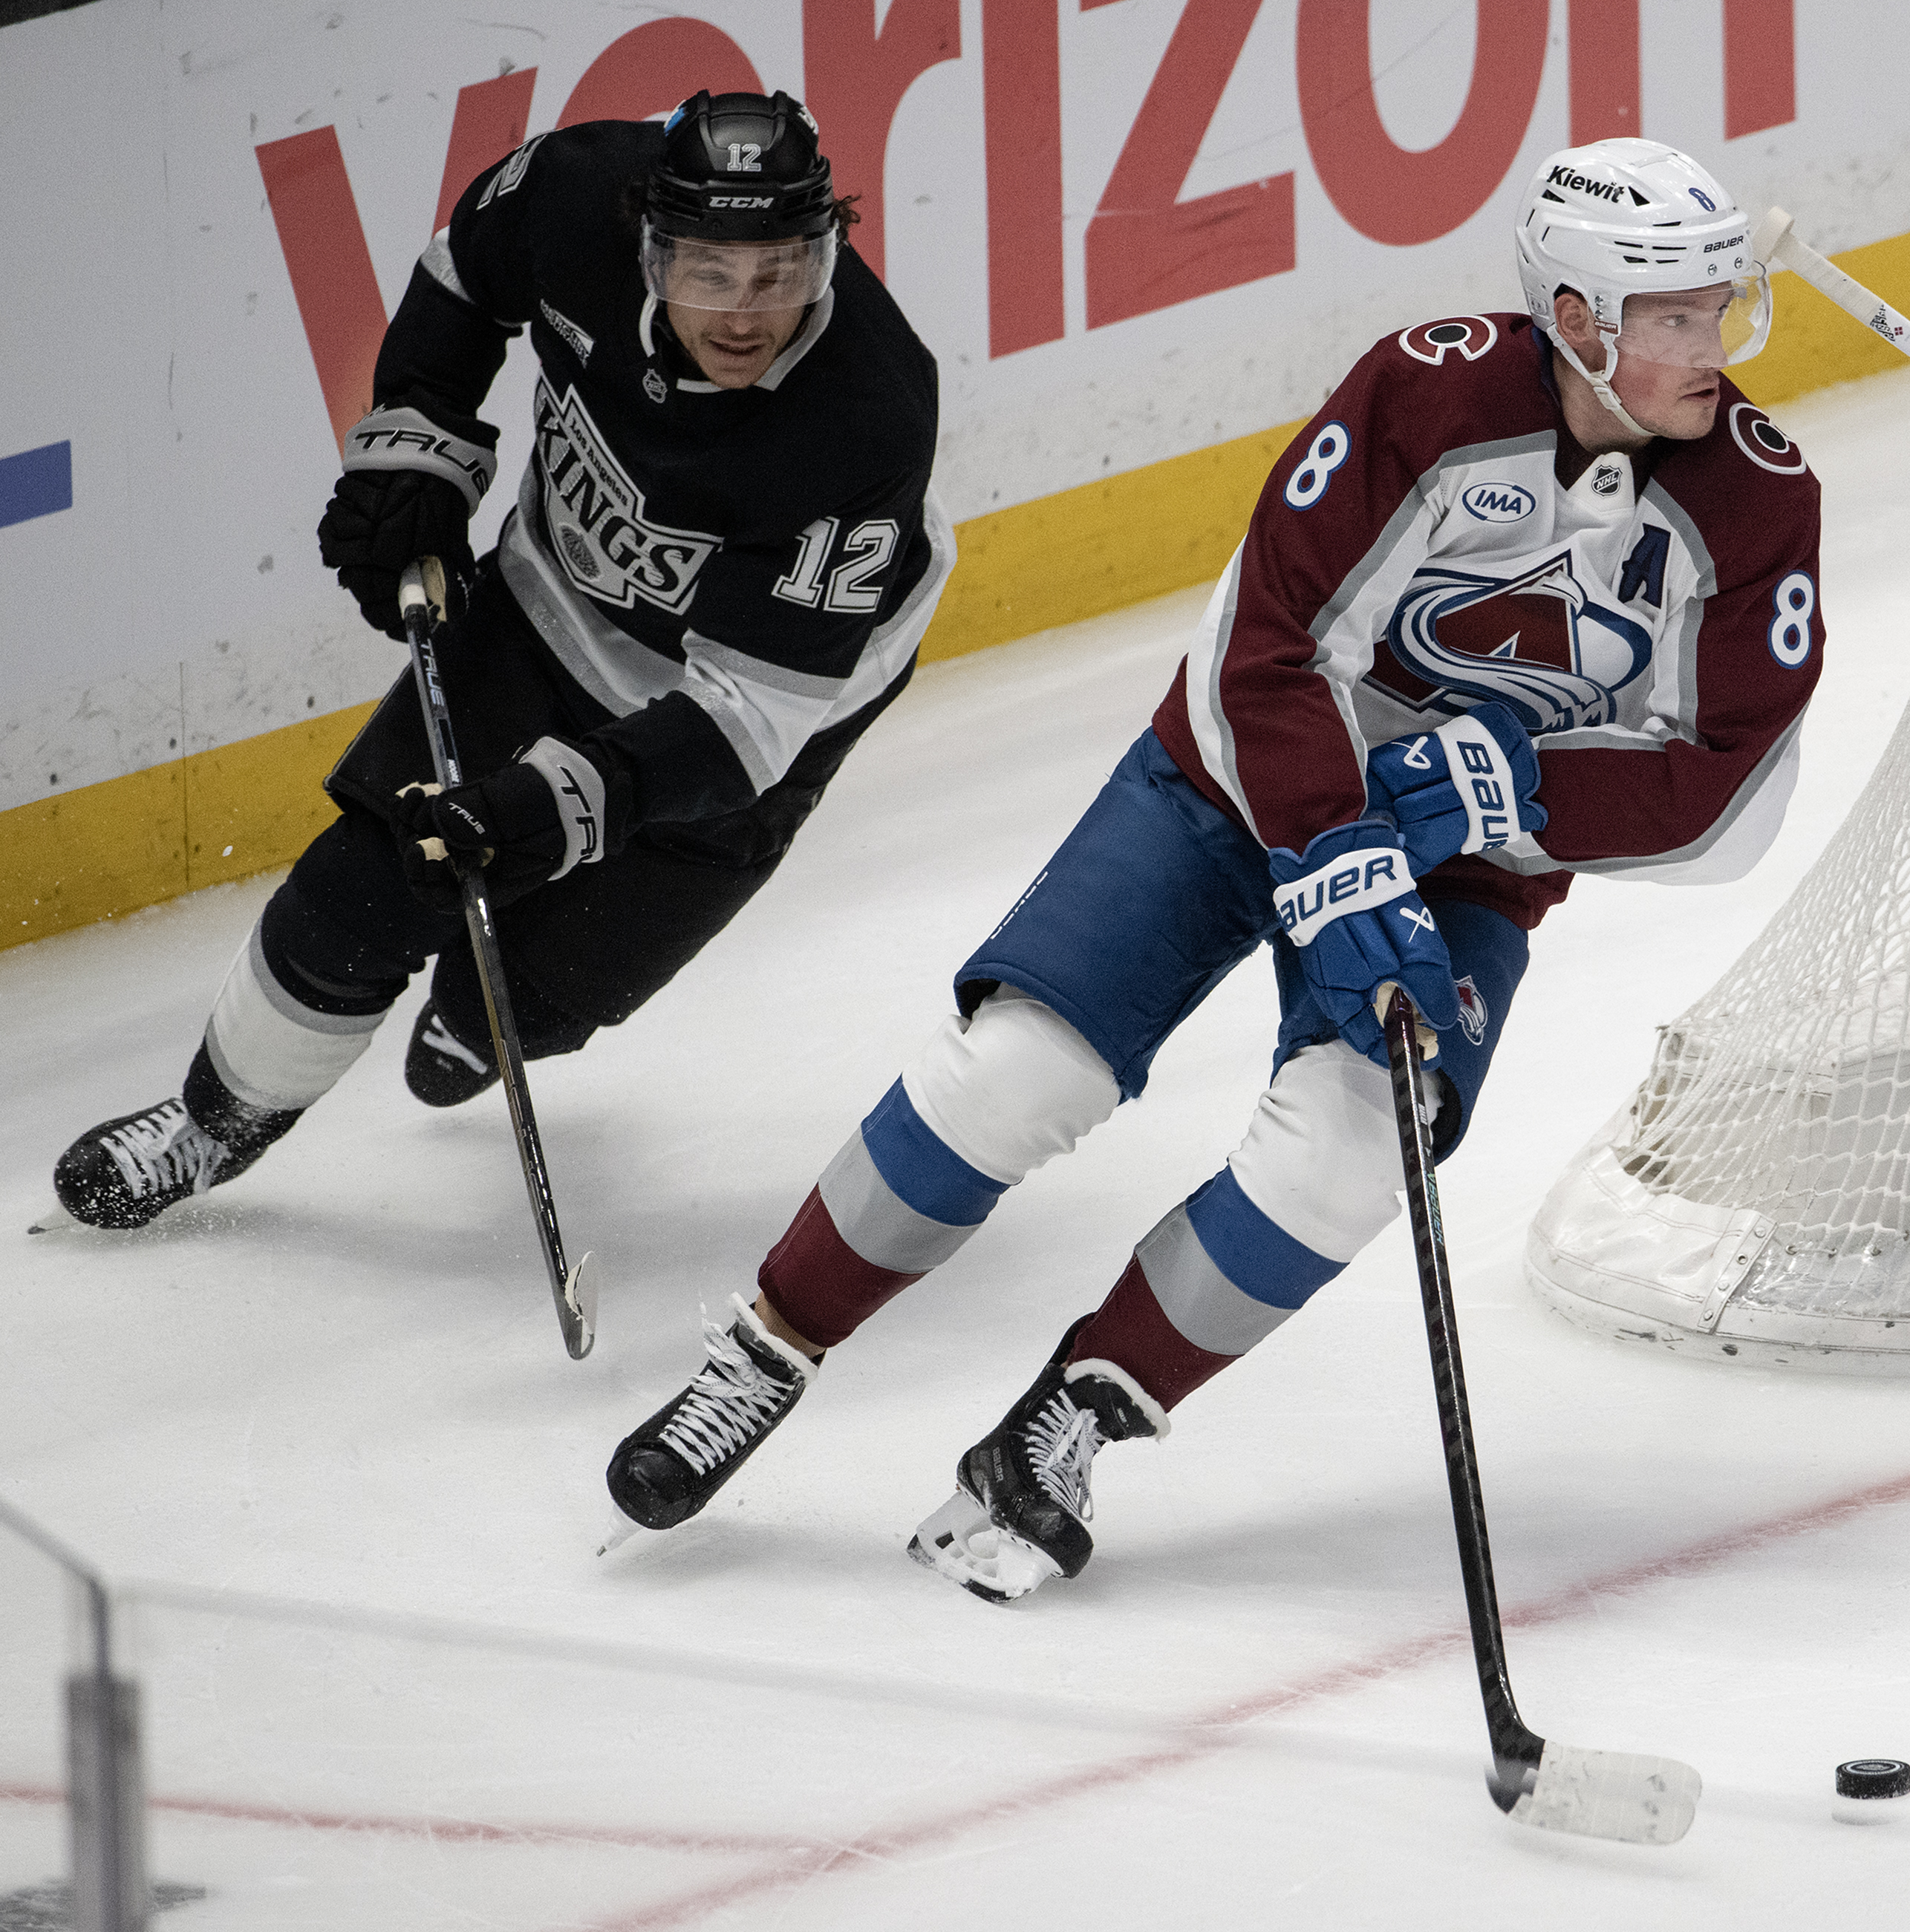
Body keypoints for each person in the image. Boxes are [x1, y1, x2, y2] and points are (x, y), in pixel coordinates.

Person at [602, 137, 1826, 1599]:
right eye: (1679, 316)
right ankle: (767, 1348)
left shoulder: (1757, 500)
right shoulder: (1424, 394)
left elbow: (1727, 785)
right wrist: (1332, 847)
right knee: (1019, 1074)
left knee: (1355, 1155)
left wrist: (1494, 790)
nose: (1719, 346)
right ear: (1578, 318)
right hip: (1239, 786)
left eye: (1720, 306)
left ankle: (1067, 1421)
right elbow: (1267, 642)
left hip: (1470, 865)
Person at [51, 91, 948, 1230]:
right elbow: (464, 278)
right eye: (709, 273)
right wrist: (419, 450)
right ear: (648, 244)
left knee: (524, 1009)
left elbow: (745, 719)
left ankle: (486, 1011)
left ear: (826, 250)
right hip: (545, 610)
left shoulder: (866, 413)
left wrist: (545, 811)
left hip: (752, 710)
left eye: (779, 275)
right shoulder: (575, 193)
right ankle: (211, 1127)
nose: (742, 314)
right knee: (361, 891)